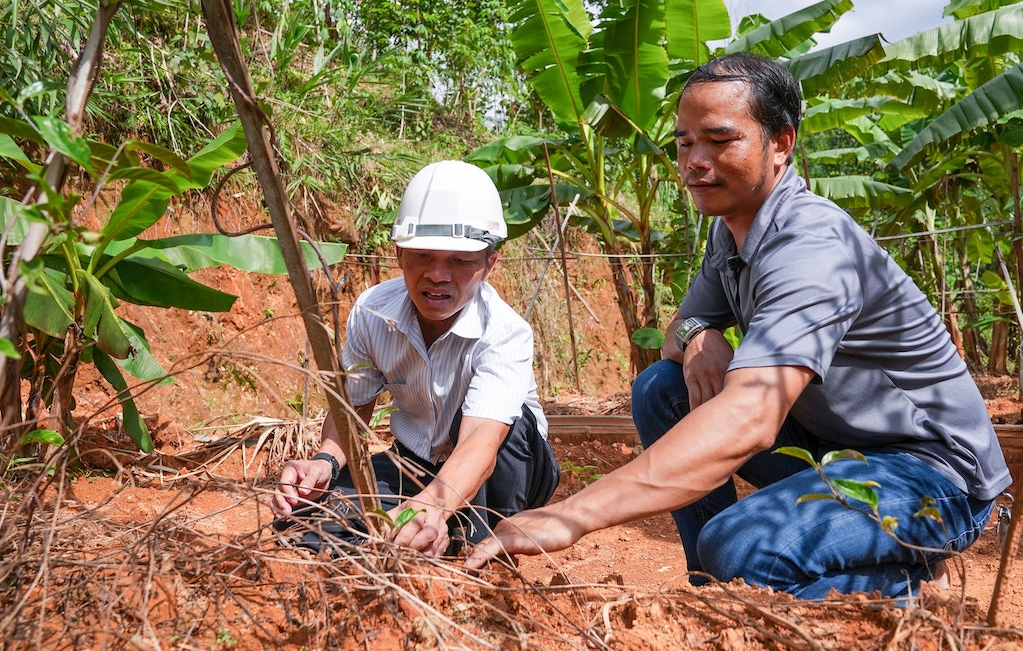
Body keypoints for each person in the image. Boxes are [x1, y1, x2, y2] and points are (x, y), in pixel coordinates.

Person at [466, 53, 1012, 600]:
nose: (695, 161)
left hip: (932, 475)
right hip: (832, 446)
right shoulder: (731, 233)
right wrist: (702, 334)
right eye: (684, 143)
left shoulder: (811, 247)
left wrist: (571, 515)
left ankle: (910, 585)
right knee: (663, 389)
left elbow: (751, 418)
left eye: (720, 140)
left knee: (742, 546)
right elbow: (680, 323)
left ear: (781, 143)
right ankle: (711, 592)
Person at [271, 160, 559, 556]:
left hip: (507, 470)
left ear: (489, 264)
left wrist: (434, 506)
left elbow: (482, 441)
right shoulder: (373, 311)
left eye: (460, 261)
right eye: (423, 255)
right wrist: (325, 463)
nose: (438, 275)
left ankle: (471, 535)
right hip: (417, 465)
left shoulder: (505, 332)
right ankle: (428, 527)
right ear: (399, 254)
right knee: (307, 520)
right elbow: (350, 413)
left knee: (499, 434)